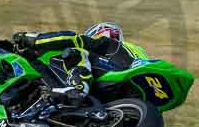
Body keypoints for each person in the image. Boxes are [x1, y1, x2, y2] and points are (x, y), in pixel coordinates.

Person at [12, 22, 147, 100]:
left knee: (77, 51)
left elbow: (73, 38)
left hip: (118, 76)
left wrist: (32, 40)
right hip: (126, 98)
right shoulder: (135, 51)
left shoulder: (110, 45)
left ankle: (78, 88)